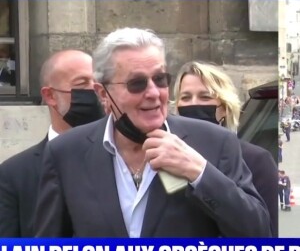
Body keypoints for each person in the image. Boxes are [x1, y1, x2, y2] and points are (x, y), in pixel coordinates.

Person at [34, 27, 271, 238]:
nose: (153, 93)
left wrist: (199, 173)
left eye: (160, 80)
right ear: (103, 93)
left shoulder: (215, 143)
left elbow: (258, 233)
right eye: (136, 83)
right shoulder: (65, 152)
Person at [0, 49, 105, 237]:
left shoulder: (123, 157)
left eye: (97, 83)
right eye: (82, 84)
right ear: (50, 96)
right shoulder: (13, 175)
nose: (95, 91)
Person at [172, 61, 278, 237]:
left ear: (225, 109)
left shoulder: (255, 159)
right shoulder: (166, 155)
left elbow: (267, 232)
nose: (193, 104)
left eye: (205, 97)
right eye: (185, 97)